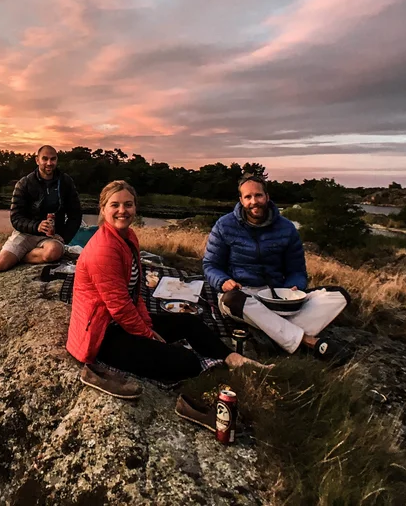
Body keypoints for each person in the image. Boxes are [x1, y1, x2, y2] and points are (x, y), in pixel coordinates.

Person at [67, 180, 266, 427]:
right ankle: (201, 368)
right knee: (187, 362)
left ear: (135, 207)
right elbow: (118, 306)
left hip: (120, 321)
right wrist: (146, 334)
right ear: (103, 209)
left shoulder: (128, 236)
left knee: (189, 323)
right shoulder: (103, 248)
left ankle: (232, 359)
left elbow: (134, 290)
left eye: (128, 204)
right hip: (102, 334)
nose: (122, 211)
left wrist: (147, 323)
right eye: (115, 205)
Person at [203, 175, 350, 362]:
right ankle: (308, 341)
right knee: (232, 300)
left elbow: (297, 270)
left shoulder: (287, 228)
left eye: (258, 195)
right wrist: (223, 282)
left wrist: (292, 288)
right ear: (241, 200)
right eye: (248, 197)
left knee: (338, 295)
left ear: (267, 196)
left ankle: (272, 335)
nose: (254, 201)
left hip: (278, 298)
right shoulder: (224, 225)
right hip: (242, 296)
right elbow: (210, 265)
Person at [0, 145, 83, 280]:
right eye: (45, 159)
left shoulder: (66, 182)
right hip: (25, 234)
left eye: (53, 159)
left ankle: (17, 256)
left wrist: (64, 236)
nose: (49, 163)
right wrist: (36, 226)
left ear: (57, 160)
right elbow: (16, 218)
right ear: (37, 160)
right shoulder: (24, 183)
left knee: (54, 252)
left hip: (50, 237)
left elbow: (76, 214)